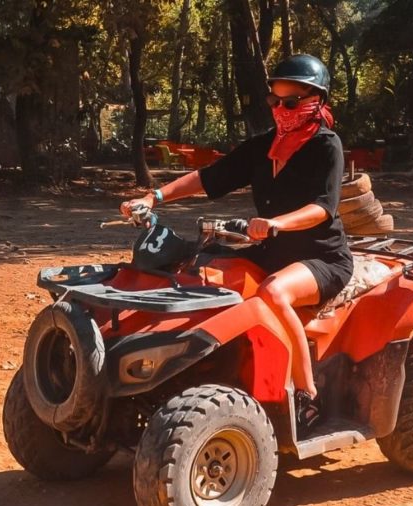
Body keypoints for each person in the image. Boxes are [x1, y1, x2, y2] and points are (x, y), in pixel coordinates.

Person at [120, 54, 354, 414]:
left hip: (320, 256)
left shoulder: (327, 146)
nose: (281, 109)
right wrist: (155, 197)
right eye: (274, 101)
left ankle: (307, 396)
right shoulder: (265, 145)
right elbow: (210, 176)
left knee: (274, 292)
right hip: (270, 250)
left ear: (315, 101)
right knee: (201, 269)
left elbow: (322, 208)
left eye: (290, 102)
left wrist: (277, 223)